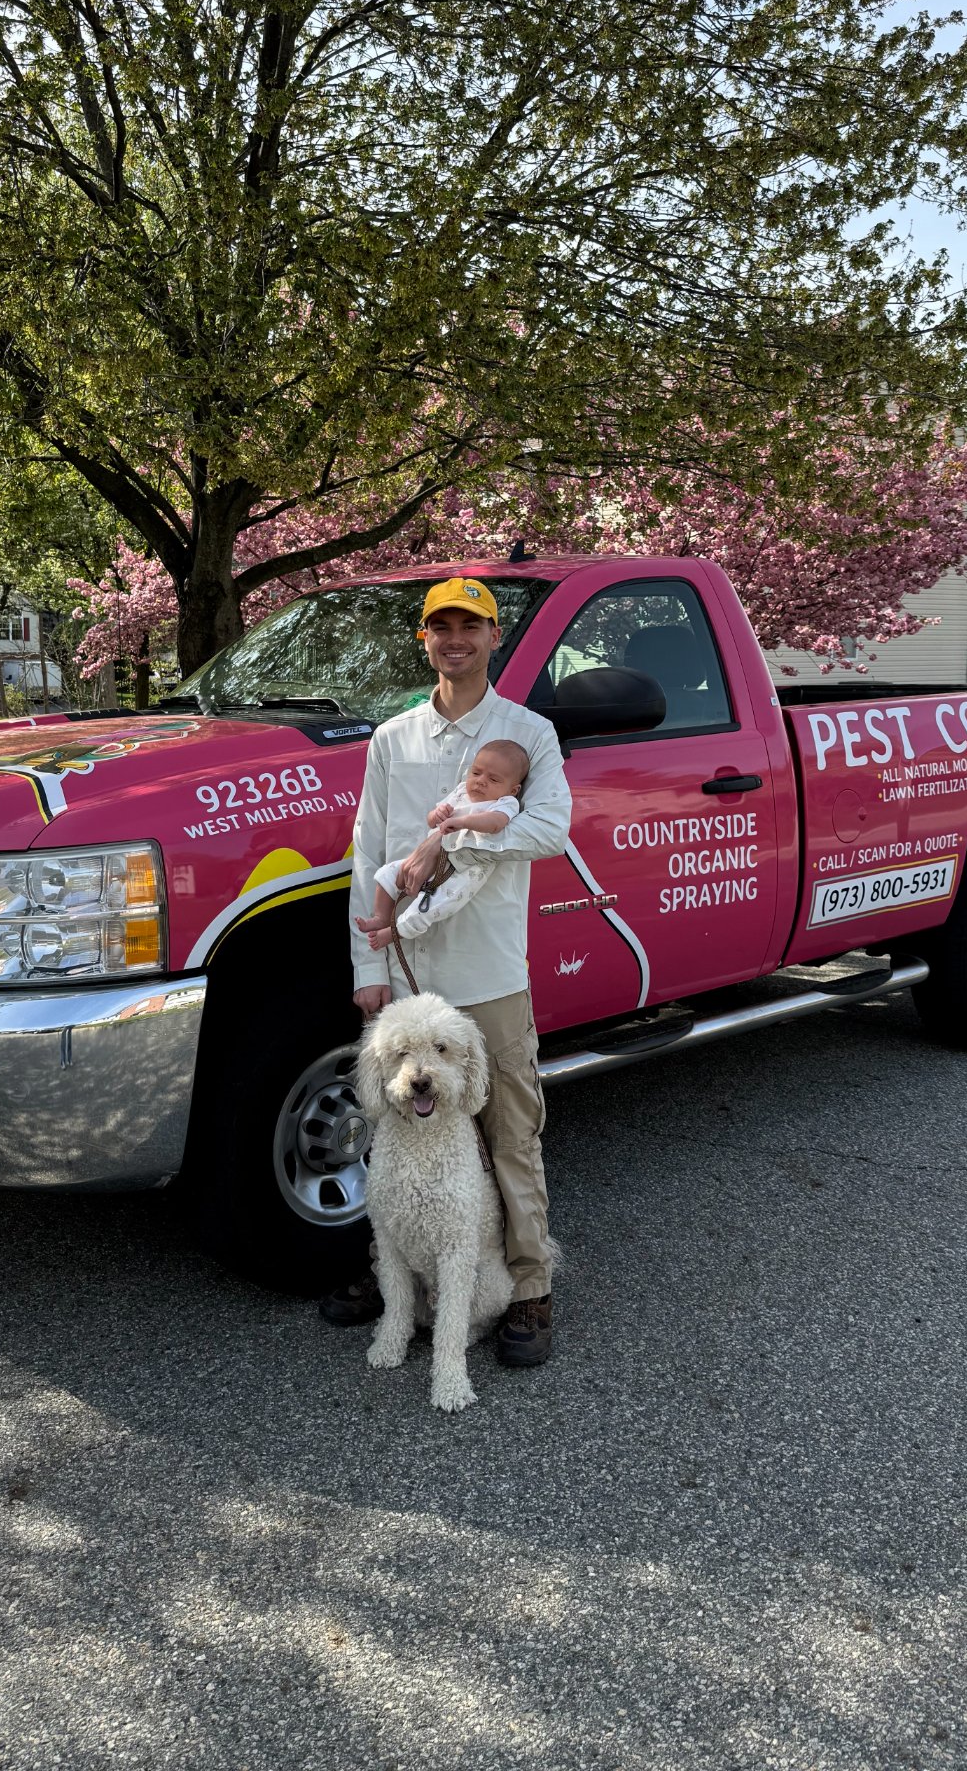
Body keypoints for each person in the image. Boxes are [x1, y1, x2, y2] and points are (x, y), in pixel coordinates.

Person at [322, 575, 572, 1367]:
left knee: (509, 1134)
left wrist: (448, 844)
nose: (455, 639)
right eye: (441, 626)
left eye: (471, 625)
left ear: (494, 636)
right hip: (403, 976)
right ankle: (395, 1275)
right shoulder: (392, 737)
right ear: (424, 638)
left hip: (487, 975)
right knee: (396, 1134)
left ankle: (529, 1288)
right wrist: (367, 961)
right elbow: (367, 851)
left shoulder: (528, 733)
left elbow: (550, 830)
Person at [355, 737, 530, 948]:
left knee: (433, 905)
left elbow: (495, 824)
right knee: (388, 873)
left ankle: (394, 932)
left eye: (493, 780)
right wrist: (438, 814)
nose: (481, 781)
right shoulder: (460, 792)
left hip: (465, 868)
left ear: (513, 790)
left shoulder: (503, 803)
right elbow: (431, 820)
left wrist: (463, 821)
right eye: (476, 773)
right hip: (431, 856)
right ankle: (381, 917)